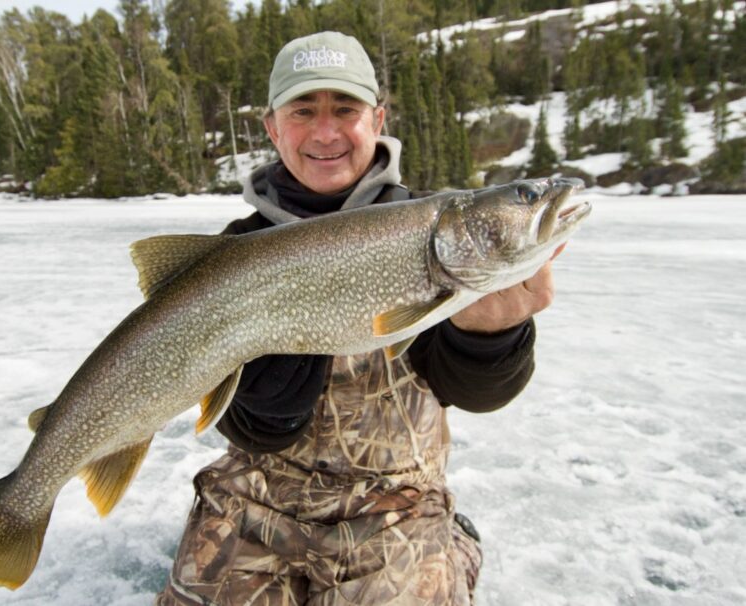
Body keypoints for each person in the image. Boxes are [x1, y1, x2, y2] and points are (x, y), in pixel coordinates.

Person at [157, 31, 554, 605]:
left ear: (377, 119)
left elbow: (474, 392)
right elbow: (239, 425)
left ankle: (454, 544)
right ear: (272, 128)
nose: (326, 132)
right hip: (253, 499)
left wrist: (492, 337)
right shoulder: (232, 253)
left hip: (394, 508)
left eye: (345, 109)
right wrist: (267, 408)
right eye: (303, 111)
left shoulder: (431, 231)